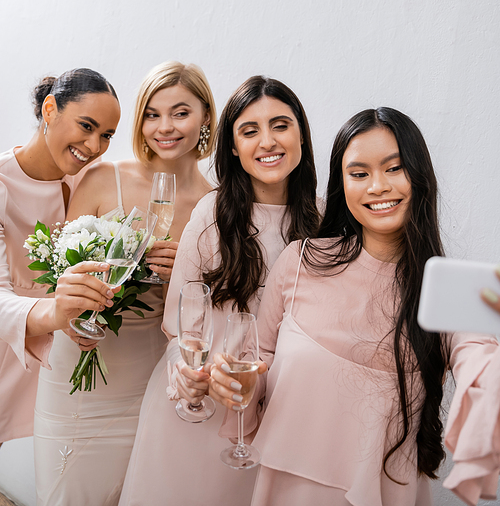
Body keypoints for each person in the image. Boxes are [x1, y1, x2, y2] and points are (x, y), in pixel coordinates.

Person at [212, 107, 500, 506]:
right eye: (359, 174)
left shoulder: (450, 287)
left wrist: (488, 385)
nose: (377, 186)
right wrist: (238, 385)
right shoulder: (300, 261)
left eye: (394, 168)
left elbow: (480, 354)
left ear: (419, 176)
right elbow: (258, 360)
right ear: (342, 185)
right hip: (284, 492)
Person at [118, 76, 320, 506]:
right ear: (232, 147)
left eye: (280, 125)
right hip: (198, 409)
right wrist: (189, 379)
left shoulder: (324, 224)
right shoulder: (212, 212)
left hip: (274, 416)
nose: (267, 141)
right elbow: (178, 323)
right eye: (249, 131)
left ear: (301, 133)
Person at [33, 61, 216, 506]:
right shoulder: (102, 177)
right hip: (81, 367)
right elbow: (57, 282)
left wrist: (185, 280)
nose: (164, 127)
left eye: (180, 113)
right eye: (152, 114)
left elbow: (213, 307)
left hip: (150, 378)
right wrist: (72, 316)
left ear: (206, 118)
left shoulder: (217, 204)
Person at [0, 68, 121, 445]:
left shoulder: (89, 184)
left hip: (47, 367)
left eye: (106, 136)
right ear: (50, 109)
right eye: (86, 126)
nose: (94, 145)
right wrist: (56, 313)